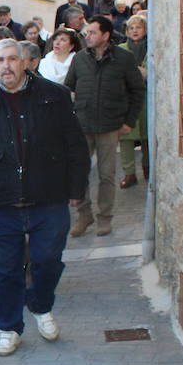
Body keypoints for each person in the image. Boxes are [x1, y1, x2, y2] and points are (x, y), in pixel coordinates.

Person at [0, 40, 89, 356]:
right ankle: (9, 326)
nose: (6, 66)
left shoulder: (53, 96)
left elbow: (76, 146)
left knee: (47, 261)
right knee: (5, 270)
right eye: (0, 60)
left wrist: (76, 190)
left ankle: (41, 306)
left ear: (25, 62)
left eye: (12, 59)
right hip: (0, 202)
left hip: (49, 197)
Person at [65, 17, 146, 237]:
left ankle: (105, 217)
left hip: (110, 125)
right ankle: (84, 214)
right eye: (87, 33)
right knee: (78, 172)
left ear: (105, 35)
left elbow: (137, 91)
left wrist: (129, 121)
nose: (87, 36)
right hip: (83, 124)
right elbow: (68, 88)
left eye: (92, 33)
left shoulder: (124, 59)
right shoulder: (80, 59)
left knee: (107, 175)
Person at [118, 13, 149, 187]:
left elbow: (148, 73)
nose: (135, 31)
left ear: (145, 30)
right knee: (126, 136)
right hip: (125, 98)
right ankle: (129, 173)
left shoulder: (151, 48)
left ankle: (147, 168)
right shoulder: (121, 48)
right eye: (132, 28)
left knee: (146, 135)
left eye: (139, 27)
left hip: (145, 97)